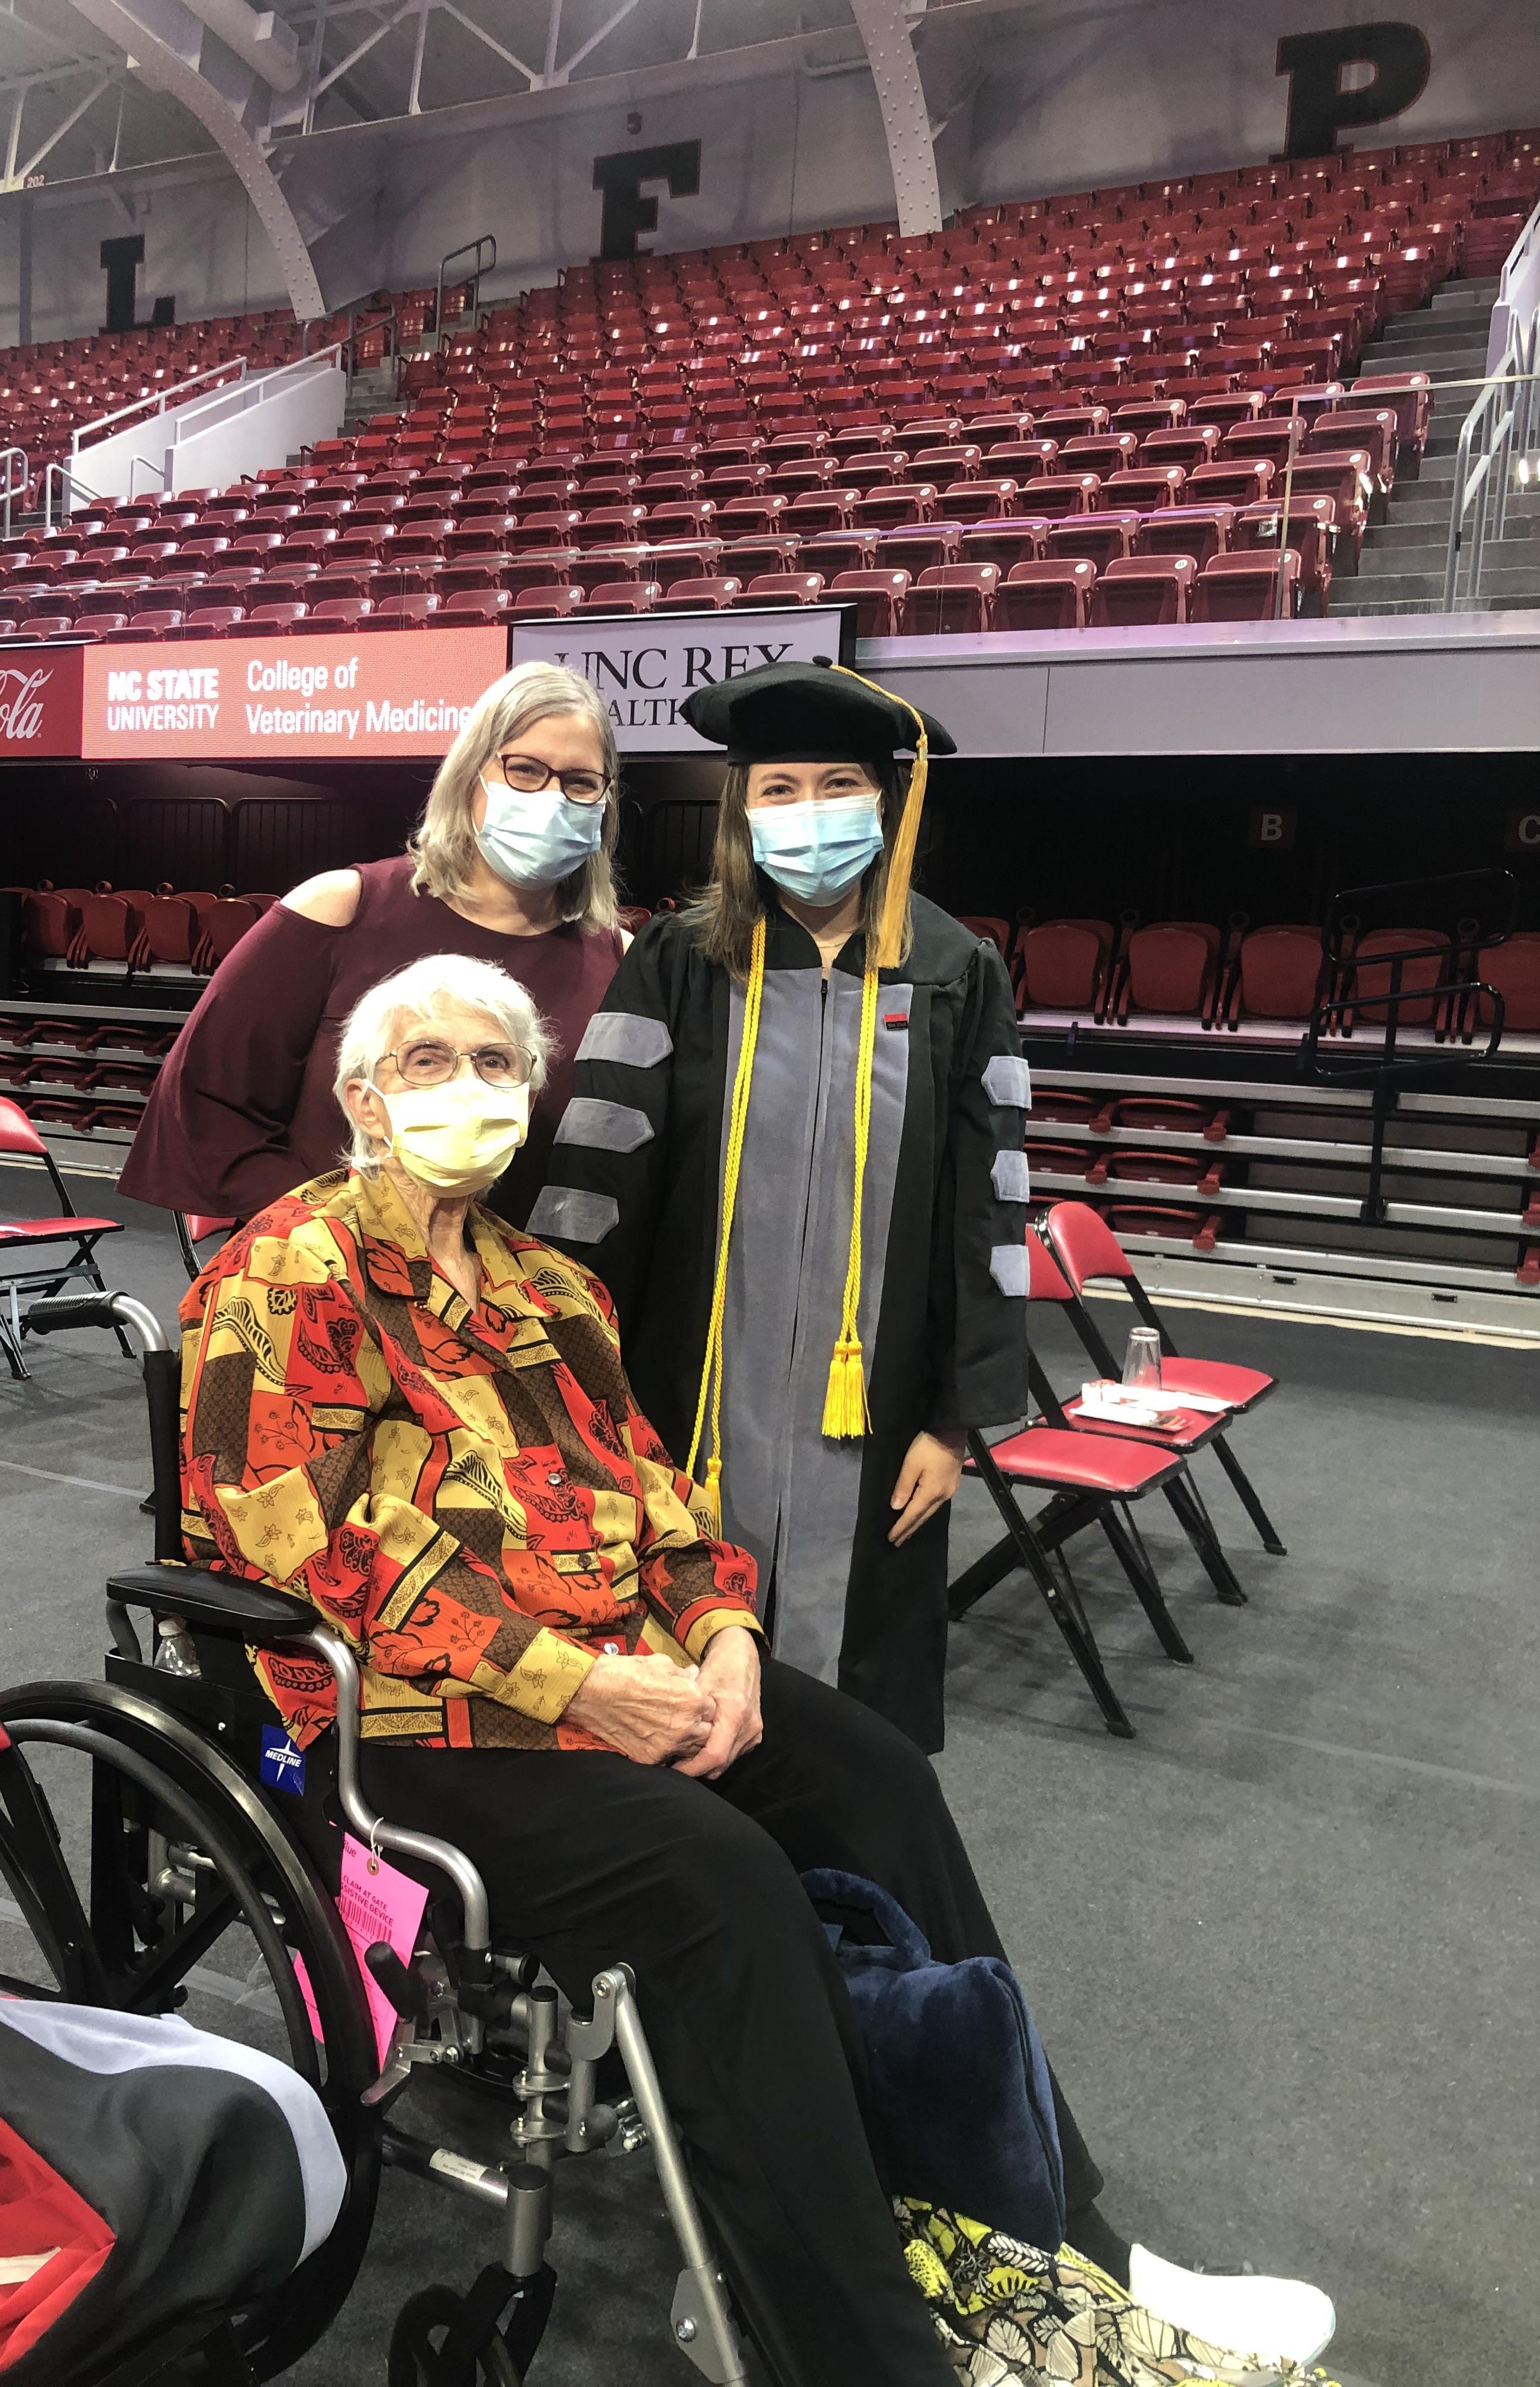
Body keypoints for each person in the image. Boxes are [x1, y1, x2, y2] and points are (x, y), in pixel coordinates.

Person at [177, 953, 1335, 2387]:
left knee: (876, 1780)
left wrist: (726, 1636)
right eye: (427, 1063)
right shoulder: (288, 1271)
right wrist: (576, 1683)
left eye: (495, 1064)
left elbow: (656, 1500)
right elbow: (296, 1543)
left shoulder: (553, 1288)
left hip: (627, 1662)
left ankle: (1056, 2236)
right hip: (415, 1715)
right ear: (362, 1098)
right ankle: (866, 2349)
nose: (466, 1090)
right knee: (719, 1883)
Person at [527, 660, 1022, 1752]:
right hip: (686, 1386)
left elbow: (989, 1209)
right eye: (779, 789)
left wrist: (952, 1422)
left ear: (887, 802)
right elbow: (597, 1183)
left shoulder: (954, 969)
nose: (809, 813)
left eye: (838, 785)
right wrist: (574, 1388)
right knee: (672, 1664)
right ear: (741, 810)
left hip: (878, 1405)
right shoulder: (680, 959)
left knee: (853, 1720)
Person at [120, 660, 629, 1233]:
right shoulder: (340, 910)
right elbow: (207, 1100)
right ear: (471, 775)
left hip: (527, 1280)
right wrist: (330, 1233)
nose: (552, 798)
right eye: (526, 770)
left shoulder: (624, 962)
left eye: (580, 782)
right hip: (335, 1268)